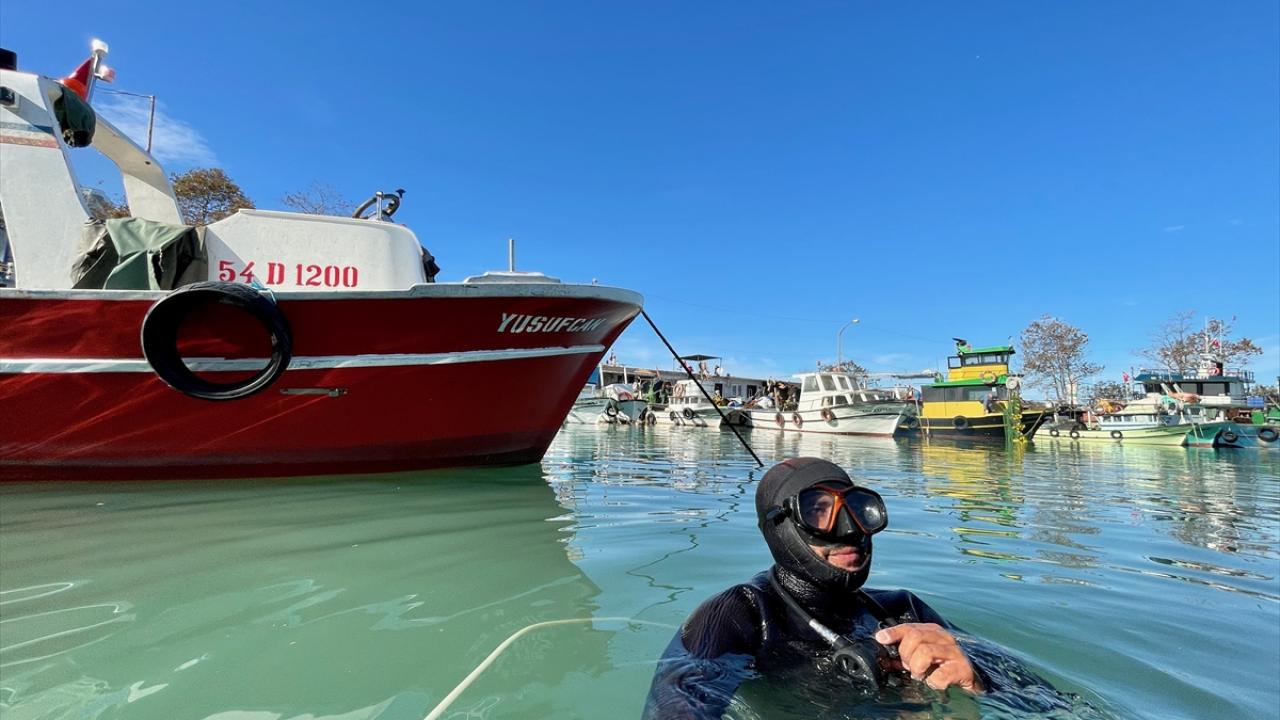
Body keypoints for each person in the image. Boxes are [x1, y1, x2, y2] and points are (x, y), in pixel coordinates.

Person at [644, 458, 1066, 719]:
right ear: (782, 528)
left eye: (858, 509)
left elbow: (1050, 704)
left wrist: (979, 681)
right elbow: (678, 702)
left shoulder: (901, 608)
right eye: (820, 512)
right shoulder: (741, 612)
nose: (850, 531)